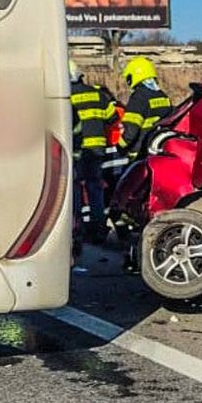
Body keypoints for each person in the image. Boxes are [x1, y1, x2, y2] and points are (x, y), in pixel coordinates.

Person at [69, 60, 117, 256]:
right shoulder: (98, 94)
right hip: (97, 150)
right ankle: (98, 227)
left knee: (75, 189)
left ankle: (77, 229)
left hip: (77, 150)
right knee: (95, 187)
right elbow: (112, 117)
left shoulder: (67, 97)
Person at [118, 56, 174, 159]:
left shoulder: (138, 97)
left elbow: (131, 130)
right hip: (157, 150)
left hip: (140, 153)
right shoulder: (163, 96)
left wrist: (120, 146)